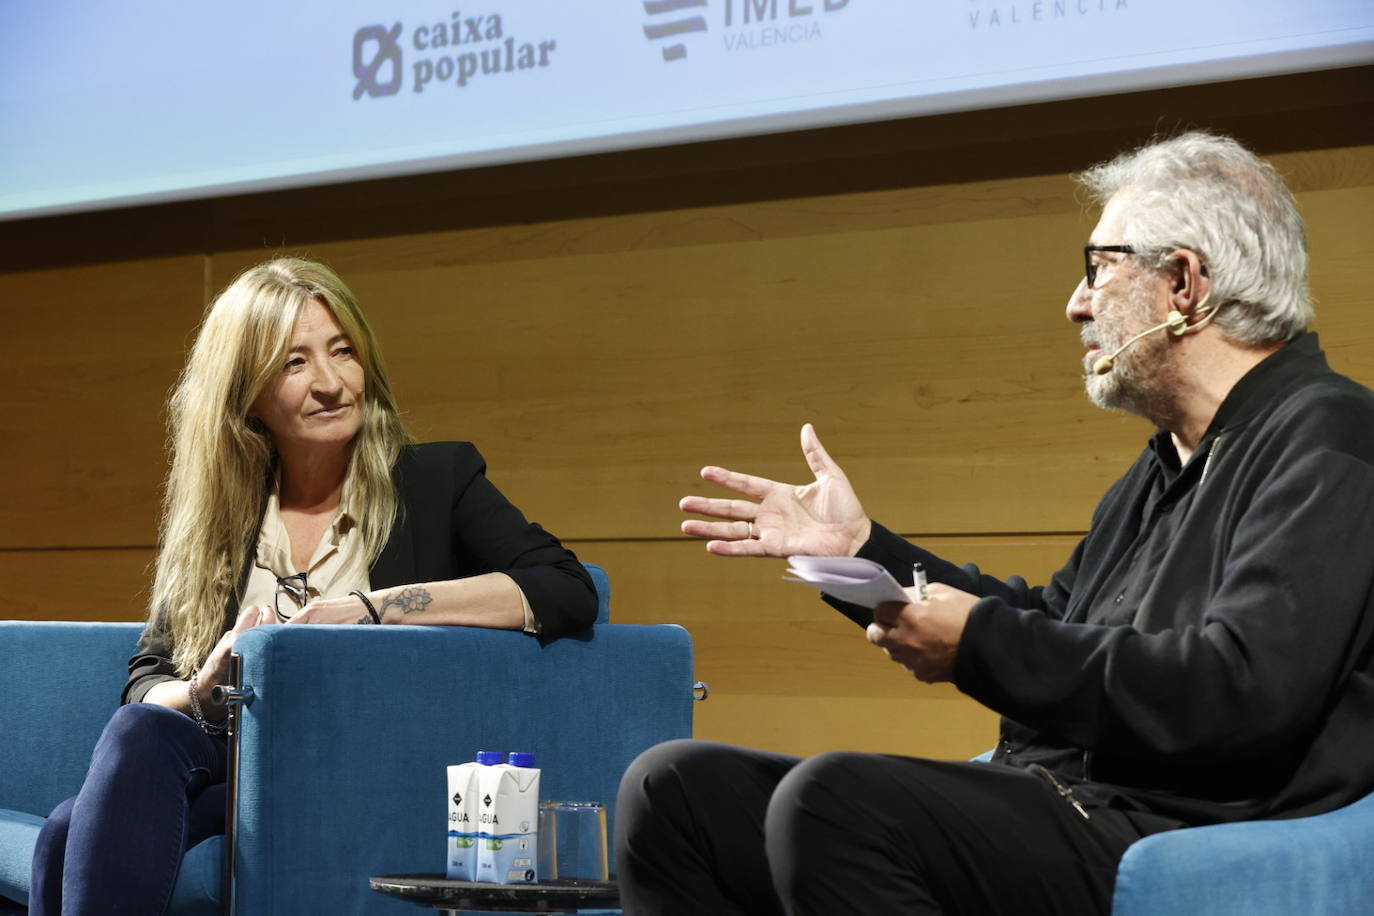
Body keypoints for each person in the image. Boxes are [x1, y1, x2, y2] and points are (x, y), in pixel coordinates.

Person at [615, 131, 1374, 915]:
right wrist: (857, 552)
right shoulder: (1166, 464)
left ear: (1182, 282)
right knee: (676, 791)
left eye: (1098, 268)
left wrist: (979, 644)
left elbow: (1238, 688)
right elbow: (1054, 622)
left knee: (835, 801)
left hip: (1175, 823)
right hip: (1067, 797)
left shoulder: (1331, 436)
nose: (1076, 303)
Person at [30, 258, 596, 915]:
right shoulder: (224, 512)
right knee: (138, 733)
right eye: (294, 364)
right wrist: (200, 687)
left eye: (343, 352)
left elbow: (566, 586)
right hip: (234, 764)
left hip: (360, 766)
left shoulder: (436, 480)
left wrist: (372, 610)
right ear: (247, 394)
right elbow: (145, 673)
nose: (331, 383)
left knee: (71, 828)